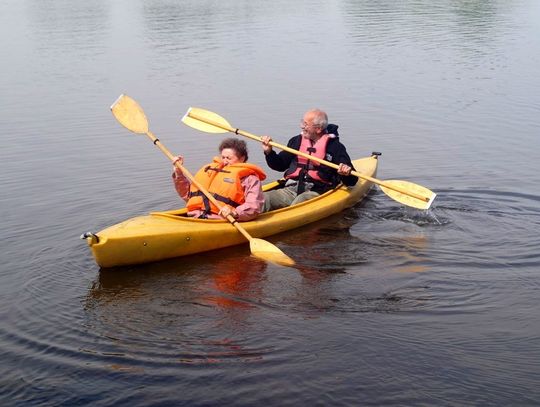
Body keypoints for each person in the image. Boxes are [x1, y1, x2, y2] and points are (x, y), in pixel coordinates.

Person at [261, 109, 358, 211]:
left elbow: (352, 181)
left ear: (318, 128)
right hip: (291, 189)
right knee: (263, 198)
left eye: (306, 124)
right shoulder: (296, 141)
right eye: (302, 122)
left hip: (316, 191)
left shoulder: (335, 147)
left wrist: (345, 173)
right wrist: (269, 152)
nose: (302, 126)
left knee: (300, 201)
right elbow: (279, 165)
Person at [172, 138, 266, 221]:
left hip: (223, 220)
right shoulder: (211, 170)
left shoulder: (250, 179)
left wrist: (234, 212)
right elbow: (187, 195)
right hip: (194, 217)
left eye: (228, 158)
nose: (225, 161)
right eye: (223, 157)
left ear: (242, 159)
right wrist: (178, 172)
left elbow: (254, 206)